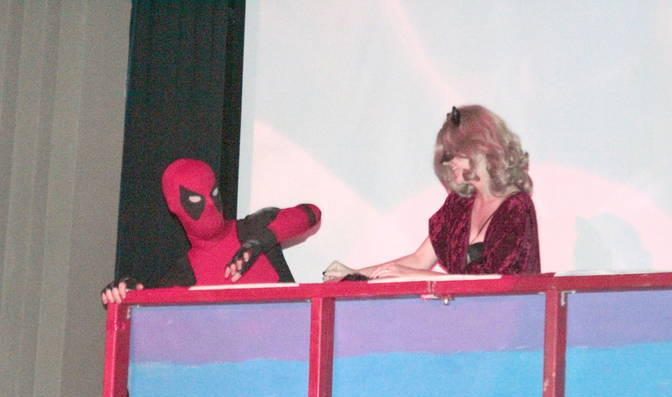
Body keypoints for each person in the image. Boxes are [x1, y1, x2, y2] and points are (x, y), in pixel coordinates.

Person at [353, 105, 539, 280]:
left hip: (507, 305)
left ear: (478, 149)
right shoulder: (459, 204)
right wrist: (351, 276)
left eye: (450, 154)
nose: (447, 163)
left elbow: (497, 283)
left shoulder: (516, 207)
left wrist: (417, 275)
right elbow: (419, 259)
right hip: (462, 305)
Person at [102, 158, 320, 304]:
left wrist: (262, 240)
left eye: (213, 193)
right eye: (194, 199)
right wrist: (129, 297)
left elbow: (310, 213)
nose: (209, 204)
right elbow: (155, 330)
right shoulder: (181, 276)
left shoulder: (252, 229)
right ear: (175, 206)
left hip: (294, 352)